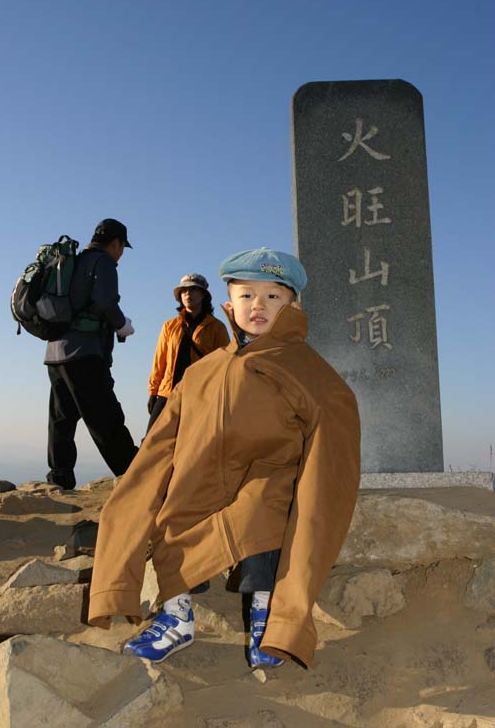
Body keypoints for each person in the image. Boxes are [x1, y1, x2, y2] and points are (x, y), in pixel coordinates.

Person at [88, 247, 360, 670]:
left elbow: (331, 464)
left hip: (266, 480)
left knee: (263, 524)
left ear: (293, 305)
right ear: (231, 304)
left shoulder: (308, 371)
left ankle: (268, 619)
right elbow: (158, 450)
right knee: (170, 519)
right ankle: (177, 617)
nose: (259, 306)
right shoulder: (203, 371)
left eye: (273, 297)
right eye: (248, 295)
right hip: (199, 479)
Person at [44, 218, 139, 490]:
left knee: (61, 417)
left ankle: (59, 476)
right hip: (84, 353)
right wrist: (123, 325)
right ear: (116, 243)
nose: (121, 253)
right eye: (122, 247)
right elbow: (106, 303)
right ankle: (134, 475)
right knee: (104, 416)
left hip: (55, 352)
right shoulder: (103, 262)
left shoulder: (72, 261)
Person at [146, 273, 229, 432]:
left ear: (203, 295)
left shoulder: (217, 328)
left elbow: (224, 366)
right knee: (150, 442)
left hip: (199, 395)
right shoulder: (169, 326)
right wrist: (153, 393)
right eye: (183, 291)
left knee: (192, 444)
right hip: (167, 393)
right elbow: (159, 362)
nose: (188, 294)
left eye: (193, 290)